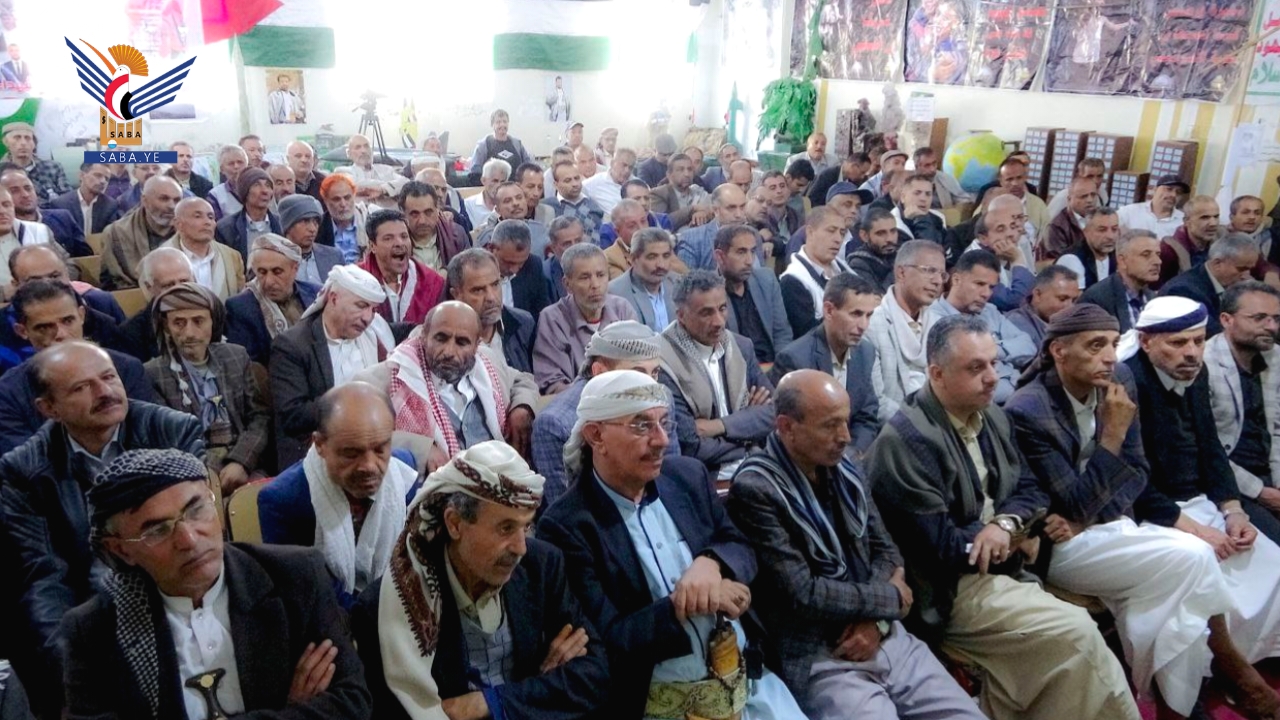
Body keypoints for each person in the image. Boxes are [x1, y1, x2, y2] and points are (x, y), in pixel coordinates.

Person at [1008, 302, 1280, 719]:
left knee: (1169, 592)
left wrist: (1084, 513)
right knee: (1192, 558)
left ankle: (1182, 703)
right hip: (1059, 547)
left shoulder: (1117, 381)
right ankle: (1230, 670)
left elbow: (1137, 475)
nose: (1109, 357)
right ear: (1059, 351)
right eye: (1095, 346)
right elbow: (1073, 500)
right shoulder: (1029, 409)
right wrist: (1112, 438)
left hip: (1107, 524)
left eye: (1112, 344)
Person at [866, 314, 1141, 720]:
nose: (993, 377)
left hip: (1000, 569)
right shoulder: (907, 442)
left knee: (1072, 645)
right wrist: (1014, 536)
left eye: (994, 363)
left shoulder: (991, 416)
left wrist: (1006, 525)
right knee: (1075, 633)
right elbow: (942, 548)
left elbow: (1032, 490)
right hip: (948, 591)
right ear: (937, 374)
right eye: (976, 368)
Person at [538, 369, 809, 720]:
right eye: (642, 426)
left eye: (664, 423)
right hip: (660, 705)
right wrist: (693, 601)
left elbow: (738, 544)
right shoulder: (568, 526)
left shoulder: (686, 477)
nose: (662, 440)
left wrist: (710, 563)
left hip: (749, 684)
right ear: (596, 435)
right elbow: (607, 641)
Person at [728, 370, 984, 720]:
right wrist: (889, 598)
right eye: (830, 426)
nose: (845, 437)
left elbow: (887, 550)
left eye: (846, 422)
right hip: (824, 653)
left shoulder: (848, 466)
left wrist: (876, 622)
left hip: (885, 635)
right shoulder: (756, 489)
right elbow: (803, 593)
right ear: (787, 427)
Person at [61, 449, 371, 720]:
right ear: (121, 550)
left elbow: (352, 702)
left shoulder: (295, 577)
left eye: (196, 510)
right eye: (157, 530)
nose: (188, 539)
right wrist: (288, 711)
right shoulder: (95, 630)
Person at [0, 342, 203, 707]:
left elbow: (188, 539)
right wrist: (72, 665)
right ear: (49, 409)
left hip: (169, 585)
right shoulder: (24, 470)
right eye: (81, 387)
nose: (104, 392)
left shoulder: (171, 431)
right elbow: (44, 576)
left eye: (109, 377)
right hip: (89, 606)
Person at [353, 441, 608, 719]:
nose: (521, 548)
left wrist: (490, 703)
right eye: (506, 528)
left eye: (526, 526)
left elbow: (594, 675)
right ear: (455, 524)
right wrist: (543, 687)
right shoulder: (392, 605)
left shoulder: (542, 566)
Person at [1122, 296, 1280, 716]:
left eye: (1196, 341)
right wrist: (1197, 529)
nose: (1191, 352)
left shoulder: (1196, 372)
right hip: (1151, 514)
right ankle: (1207, 680)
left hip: (1200, 503)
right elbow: (1130, 479)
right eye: (1177, 343)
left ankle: (1243, 664)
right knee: (1201, 568)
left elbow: (1211, 448)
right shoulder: (1130, 381)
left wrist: (1233, 511)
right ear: (1146, 342)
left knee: (1269, 561)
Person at [258, 382, 418, 608]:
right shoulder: (283, 501)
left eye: (380, 449)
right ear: (319, 445)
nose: (369, 466)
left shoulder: (403, 474)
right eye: (351, 454)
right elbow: (304, 594)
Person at [354, 302, 538, 472]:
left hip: (500, 481)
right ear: (424, 336)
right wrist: (420, 448)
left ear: (476, 346)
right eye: (441, 339)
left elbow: (523, 380)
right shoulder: (383, 380)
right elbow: (357, 435)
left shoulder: (488, 364)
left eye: (462, 342)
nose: (449, 351)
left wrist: (521, 408)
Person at [0, 280, 156, 455]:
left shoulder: (127, 368)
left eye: (68, 321)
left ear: (81, 315)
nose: (61, 334)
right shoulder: (8, 393)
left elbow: (149, 436)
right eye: (44, 327)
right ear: (22, 331)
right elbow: (23, 462)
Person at [144, 283, 270, 492]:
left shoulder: (236, 357)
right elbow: (168, 439)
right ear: (166, 326)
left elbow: (260, 417)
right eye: (179, 323)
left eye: (198, 321)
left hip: (245, 464)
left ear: (213, 321)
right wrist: (212, 473)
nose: (189, 332)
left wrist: (241, 462)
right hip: (191, 476)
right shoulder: (153, 373)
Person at [532, 321, 671, 508]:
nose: (648, 385)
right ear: (599, 371)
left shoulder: (660, 399)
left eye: (654, 373)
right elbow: (567, 511)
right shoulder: (556, 424)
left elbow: (671, 478)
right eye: (637, 373)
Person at [270, 265, 397, 469]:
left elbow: (410, 330)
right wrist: (351, 404)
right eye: (361, 305)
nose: (367, 318)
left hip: (373, 445)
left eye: (373, 310)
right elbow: (293, 415)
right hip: (317, 454)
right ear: (334, 298)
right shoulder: (292, 346)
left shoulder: (373, 333)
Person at [658, 270, 774, 480]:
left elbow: (773, 414)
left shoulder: (741, 347)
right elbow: (691, 445)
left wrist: (718, 426)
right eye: (706, 313)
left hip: (755, 467)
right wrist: (748, 433)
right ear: (681, 316)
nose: (719, 321)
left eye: (722, 309)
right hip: (706, 478)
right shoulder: (662, 362)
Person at [771, 273, 882, 457]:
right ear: (829, 311)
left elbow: (867, 416)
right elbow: (792, 431)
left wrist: (853, 453)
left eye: (868, 315)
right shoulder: (795, 359)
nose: (863, 325)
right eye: (856, 314)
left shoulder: (865, 352)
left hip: (851, 456)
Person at [1206, 282, 1280, 544]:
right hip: (1228, 482)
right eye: (1259, 318)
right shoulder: (1205, 364)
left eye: (1276, 318)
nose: (1271, 326)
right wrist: (1260, 491)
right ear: (1227, 320)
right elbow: (1209, 449)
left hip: (1270, 472)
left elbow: (1278, 429)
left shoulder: (1275, 358)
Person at [931, 250, 1037, 403]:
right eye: (979, 284)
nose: (986, 294)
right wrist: (1005, 349)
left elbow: (1028, 346)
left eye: (991, 287)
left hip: (1019, 393)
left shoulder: (990, 311)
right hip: (983, 405)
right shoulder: (934, 319)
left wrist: (994, 349)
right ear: (956, 279)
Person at [534, 243, 637, 394]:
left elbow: (639, 364)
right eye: (585, 277)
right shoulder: (553, 319)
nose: (595, 285)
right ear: (567, 284)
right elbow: (553, 384)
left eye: (600, 275)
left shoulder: (622, 309)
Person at [867, 240, 946, 421]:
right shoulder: (872, 325)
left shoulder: (940, 326)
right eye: (929, 270)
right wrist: (922, 424)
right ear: (901, 273)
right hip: (896, 427)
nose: (937, 281)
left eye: (942, 274)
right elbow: (876, 401)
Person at [225, 234, 321, 366]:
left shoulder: (316, 294)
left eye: (277, 272)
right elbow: (248, 365)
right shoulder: (240, 307)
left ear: (295, 269)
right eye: (262, 272)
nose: (269, 281)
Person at [447, 248, 537, 374]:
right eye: (478, 290)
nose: (491, 297)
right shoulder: (445, 339)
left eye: (495, 284)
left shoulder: (524, 324)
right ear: (456, 294)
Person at [715, 224, 792, 363]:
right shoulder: (710, 293)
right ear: (720, 256)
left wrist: (781, 368)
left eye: (753, 251)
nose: (750, 261)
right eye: (741, 252)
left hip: (774, 365)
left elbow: (782, 333)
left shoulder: (767, 280)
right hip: (737, 370)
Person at [1159, 232, 1259, 337]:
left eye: (1250, 269)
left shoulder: (1233, 286)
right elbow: (1215, 336)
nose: (1246, 276)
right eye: (1241, 269)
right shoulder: (1184, 291)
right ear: (1217, 264)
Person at [355, 209, 444, 326]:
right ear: (372, 246)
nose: (399, 243)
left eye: (404, 236)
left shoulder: (432, 282)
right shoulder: (354, 281)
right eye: (388, 238)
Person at [781, 207, 855, 338]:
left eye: (842, 233)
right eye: (831, 231)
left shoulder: (843, 267)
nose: (838, 239)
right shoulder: (793, 280)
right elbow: (809, 336)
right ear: (810, 232)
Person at [100, 176, 182, 290]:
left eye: (177, 200)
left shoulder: (188, 230)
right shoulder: (117, 233)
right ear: (145, 200)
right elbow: (111, 283)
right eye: (164, 199)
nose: (172, 206)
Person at [119, 247, 195, 362]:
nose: (179, 290)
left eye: (184, 281)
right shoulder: (130, 333)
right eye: (168, 285)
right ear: (149, 287)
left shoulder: (214, 315)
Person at [163, 197, 245, 301]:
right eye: (198, 216)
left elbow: (240, 299)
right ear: (178, 224)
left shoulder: (232, 257)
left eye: (211, 217)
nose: (207, 222)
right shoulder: (159, 260)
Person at [1080, 228, 1162, 333]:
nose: (1158, 261)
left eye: (1158, 254)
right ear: (1122, 261)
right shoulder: (1096, 300)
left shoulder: (1154, 299)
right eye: (1146, 255)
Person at [1, 165, 91, 257]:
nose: (25, 195)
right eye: (14, 191)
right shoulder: (5, 230)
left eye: (28, 188)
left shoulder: (62, 217)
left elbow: (86, 258)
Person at [607, 227, 682, 332]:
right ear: (633, 259)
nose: (661, 265)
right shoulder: (615, 294)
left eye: (666, 256)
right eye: (652, 257)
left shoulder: (679, 284)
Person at [486, 218, 551, 318]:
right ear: (491, 249)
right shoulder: (474, 271)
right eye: (508, 262)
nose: (514, 270)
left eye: (521, 263)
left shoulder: (533, 265)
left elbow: (543, 312)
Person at [212, 167, 281, 263]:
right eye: (257, 185)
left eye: (268, 185)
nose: (265, 191)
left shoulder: (282, 224)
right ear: (245, 192)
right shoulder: (226, 229)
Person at [676, 184, 751, 272]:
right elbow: (686, 279)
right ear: (715, 210)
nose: (739, 214)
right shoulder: (692, 239)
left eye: (742, 207)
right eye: (731, 208)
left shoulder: (753, 235)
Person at [398, 181, 467, 276]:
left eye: (428, 212)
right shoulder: (395, 243)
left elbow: (469, 272)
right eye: (414, 214)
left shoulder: (456, 234)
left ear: (437, 210)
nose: (422, 221)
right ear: (403, 214)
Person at [1157, 195, 1224, 289]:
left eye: (1216, 217)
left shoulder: (1222, 241)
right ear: (1186, 221)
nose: (1213, 223)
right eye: (1204, 217)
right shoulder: (1169, 250)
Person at [1005, 265, 1081, 349]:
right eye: (1062, 299)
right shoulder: (1015, 325)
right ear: (1038, 295)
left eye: (1074, 300)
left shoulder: (1073, 324)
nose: (1070, 307)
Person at [474, 181, 551, 259]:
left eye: (519, 198)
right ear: (498, 210)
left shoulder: (540, 229)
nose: (515, 203)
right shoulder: (488, 236)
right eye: (507, 201)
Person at [279, 193, 342, 287]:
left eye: (316, 222)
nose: (312, 229)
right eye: (305, 221)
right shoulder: (273, 260)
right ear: (288, 226)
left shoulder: (334, 256)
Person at [0, 123, 68, 203]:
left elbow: (67, 197)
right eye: (17, 138)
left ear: (34, 144)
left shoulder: (53, 167)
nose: (23, 143)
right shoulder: (2, 170)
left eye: (28, 138)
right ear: (6, 142)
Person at [47, 162, 121, 235]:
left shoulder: (110, 205)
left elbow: (109, 236)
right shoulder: (61, 204)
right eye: (98, 175)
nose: (103, 181)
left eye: (107, 179)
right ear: (81, 175)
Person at [544, 160, 606, 247]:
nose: (575, 184)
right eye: (568, 180)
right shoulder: (548, 208)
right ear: (556, 185)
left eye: (576, 178)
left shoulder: (593, 205)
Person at [1056, 206, 1120, 290]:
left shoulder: (1119, 257)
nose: (1110, 236)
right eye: (1102, 230)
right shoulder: (1071, 259)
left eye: (1114, 229)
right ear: (1086, 232)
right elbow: (1077, 297)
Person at [334, 133, 408, 200]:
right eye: (358, 147)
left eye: (366, 146)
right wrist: (392, 186)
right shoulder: (342, 171)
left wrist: (383, 189)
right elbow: (357, 184)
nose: (363, 151)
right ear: (349, 154)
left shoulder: (386, 169)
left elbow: (406, 182)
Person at [649, 153, 712, 232]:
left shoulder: (698, 191)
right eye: (680, 170)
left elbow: (712, 209)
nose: (687, 174)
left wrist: (704, 212)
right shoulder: (658, 194)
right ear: (669, 174)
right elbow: (661, 224)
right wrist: (692, 209)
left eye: (690, 169)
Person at [467, 109, 533, 185]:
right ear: (492, 125)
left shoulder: (517, 144)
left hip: (516, 188)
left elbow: (529, 167)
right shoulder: (483, 145)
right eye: (498, 122)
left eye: (505, 121)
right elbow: (475, 172)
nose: (502, 125)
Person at [1042, 177, 1100, 261]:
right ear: (1069, 199)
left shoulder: (1102, 219)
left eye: (1093, 195)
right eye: (1083, 196)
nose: (1090, 200)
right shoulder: (1056, 227)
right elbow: (1059, 261)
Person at [316, 174, 368, 264]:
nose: (343, 204)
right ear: (326, 201)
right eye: (336, 199)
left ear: (354, 196)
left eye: (347, 198)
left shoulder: (369, 220)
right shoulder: (319, 228)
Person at [845, 207, 900, 293]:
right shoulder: (858, 264)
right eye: (881, 233)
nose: (889, 239)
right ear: (864, 236)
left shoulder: (902, 255)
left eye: (893, 231)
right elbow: (876, 297)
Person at [994, 157, 1051, 238]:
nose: (1015, 183)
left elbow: (1047, 235)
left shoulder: (1038, 205)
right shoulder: (992, 202)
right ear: (1001, 181)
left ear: (1025, 178)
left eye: (1019, 178)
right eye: (1009, 179)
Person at [1118, 174, 1188, 240]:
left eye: (1178, 192)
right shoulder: (1129, 212)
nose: (1173, 195)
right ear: (1155, 189)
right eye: (1169, 189)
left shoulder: (1183, 222)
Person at [1046, 158, 1110, 219]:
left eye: (1099, 176)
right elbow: (1048, 222)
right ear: (1080, 176)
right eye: (1090, 176)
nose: (1096, 181)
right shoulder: (1063, 196)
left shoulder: (1102, 194)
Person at [583, 148, 636, 216]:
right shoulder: (594, 183)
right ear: (612, 163)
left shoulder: (638, 185)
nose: (627, 170)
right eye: (624, 165)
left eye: (630, 167)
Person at [808, 154, 873, 209]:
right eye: (862, 172)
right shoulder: (828, 175)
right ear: (853, 166)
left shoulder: (856, 182)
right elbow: (813, 200)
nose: (862, 177)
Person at [206, 144, 249, 220]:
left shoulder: (260, 187)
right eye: (231, 163)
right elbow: (217, 224)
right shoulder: (215, 195)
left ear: (247, 165)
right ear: (222, 169)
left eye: (240, 162)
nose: (236, 166)